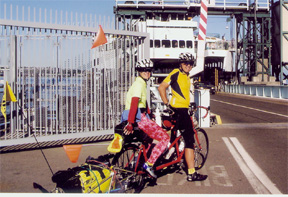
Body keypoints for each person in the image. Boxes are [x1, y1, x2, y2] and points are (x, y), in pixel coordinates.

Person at [158, 52, 208, 182]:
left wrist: (189, 104)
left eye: (190, 64)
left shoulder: (187, 76)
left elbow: (183, 94)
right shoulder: (176, 73)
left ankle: (168, 159)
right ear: (180, 64)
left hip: (182, 109)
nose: (188, 66)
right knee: (189, 141)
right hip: (179, 110)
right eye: (185, 63)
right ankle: (191, 173)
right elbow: (161, 87)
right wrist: (167, 104)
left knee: (175, 137)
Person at [121, 59, 170, 179]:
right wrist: (131, 123)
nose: (146, 72)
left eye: (149, 70)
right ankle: (149, 165)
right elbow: (134, 102)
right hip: (137, 117)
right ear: (139, 71)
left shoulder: (141, 83)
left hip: (138, 115)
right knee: (164, 138)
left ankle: (139, 163)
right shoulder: (139, 84)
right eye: (143, 70)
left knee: (148, 140)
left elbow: (143, 102)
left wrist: (150, 113)